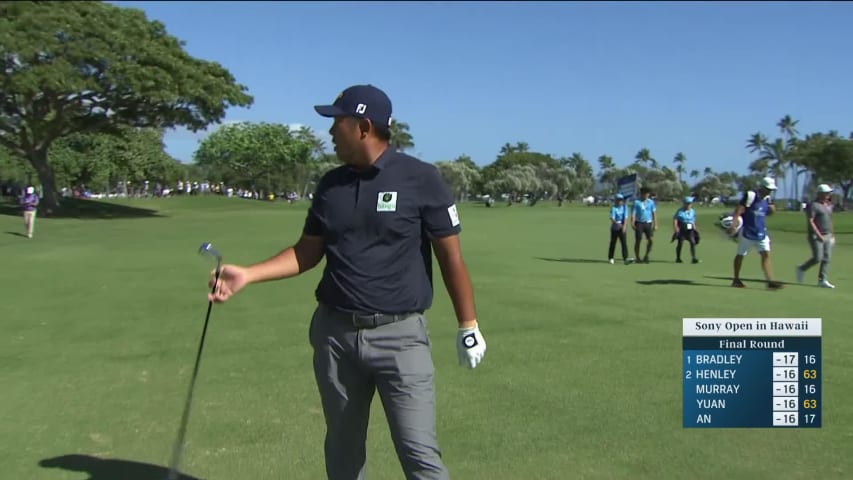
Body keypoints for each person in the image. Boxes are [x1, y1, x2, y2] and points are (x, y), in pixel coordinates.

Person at [206, 84, 486, 480]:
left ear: (363, 127)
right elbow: (307, 251)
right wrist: (248, 274)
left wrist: (468, 325)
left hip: (400, 337)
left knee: (418, 453)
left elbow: (450, 257)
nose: (330, 131)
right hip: (335, 335)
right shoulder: (331, 185)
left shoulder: (421, 179)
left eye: (337, 122)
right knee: (342, 447)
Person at [727, 177, 783, 289]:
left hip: (761, 231)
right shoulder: (750, 196)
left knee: (766, 254)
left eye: (771, 190)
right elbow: (739, 210)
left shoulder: (767, 199)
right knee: (740, 255)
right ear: (762, 187)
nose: (770, 191)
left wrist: (772, 208)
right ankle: (736, 279)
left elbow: (769, 213)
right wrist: (734, 224)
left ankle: (770, 281)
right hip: (747, 231)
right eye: (768, 189)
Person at [796, 184, 836, 288]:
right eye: (826, 193)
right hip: (815, 235)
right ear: (820, 194)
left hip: (827, 235)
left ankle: (822, 280)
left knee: (827, 258)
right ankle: (801, 268)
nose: (828, 195)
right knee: (818, 258)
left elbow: (830, 220)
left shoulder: (828, 205)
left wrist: (832, 234)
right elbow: (811, 221)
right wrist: (818, 235)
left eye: (829, 193)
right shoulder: (813, 205)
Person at [631, 187, 657, 263]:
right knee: (638, 240)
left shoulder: (651, 202)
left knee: (651, 240)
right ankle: (638, 257)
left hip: (648, 223)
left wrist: (655, 224)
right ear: (641, 194)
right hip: (639, 223)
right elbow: (633, 213)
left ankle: (646, 255)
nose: (646, 195)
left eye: (647, 194)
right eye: (645, 194)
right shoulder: (636, 202)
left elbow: (654, 213)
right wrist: (632, 222)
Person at [672, 196, 700, 264]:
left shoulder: (692, 211)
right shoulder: (680, 211)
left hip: (690, 229)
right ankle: (678, 258)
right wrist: (676, 228)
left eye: (690, 203)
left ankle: (693, 258)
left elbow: (693, 220)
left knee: (692, 242)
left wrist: (695, 228)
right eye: (687, 203)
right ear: (684, 203)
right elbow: (675, 219)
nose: (689, 205)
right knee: (680, 243)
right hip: (682, 228)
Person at [608, 193, 631, 264]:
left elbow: (626, 217)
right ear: (615, 200)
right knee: (613, 243)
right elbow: (612, 218)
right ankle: (611, 258)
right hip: (615, 228)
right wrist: (618, 224)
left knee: (624, 243)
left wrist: (624, 227)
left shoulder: (625, 207)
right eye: (618, 200)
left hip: (622, 227)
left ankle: (625, 258)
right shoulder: (613, 208)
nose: (619, 202)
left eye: (620, 200)